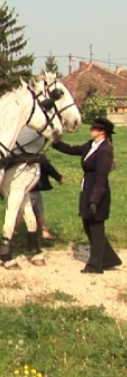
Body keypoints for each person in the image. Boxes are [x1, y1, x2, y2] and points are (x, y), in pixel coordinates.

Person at [52, 117, 122, 274]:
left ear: (102, 132)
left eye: (94, 128)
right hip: (87, 190)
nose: (91, 130)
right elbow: (72, 149)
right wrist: (55, 142)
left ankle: (95, 265)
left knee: (96, 229)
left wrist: (94, 201)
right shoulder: (91, 145)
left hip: (98, 193)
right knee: (88, 226)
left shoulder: (105, 151)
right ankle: (109, 259)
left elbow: (102, 180)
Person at [17, 156, 63, 240]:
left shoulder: (20, 156)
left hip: (24, 187)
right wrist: (59, 178)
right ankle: (12, 234)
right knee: (23, 212)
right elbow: (47, 167)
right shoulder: (36, 156)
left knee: (38, 210)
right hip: (33, 187)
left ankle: (44, 231)